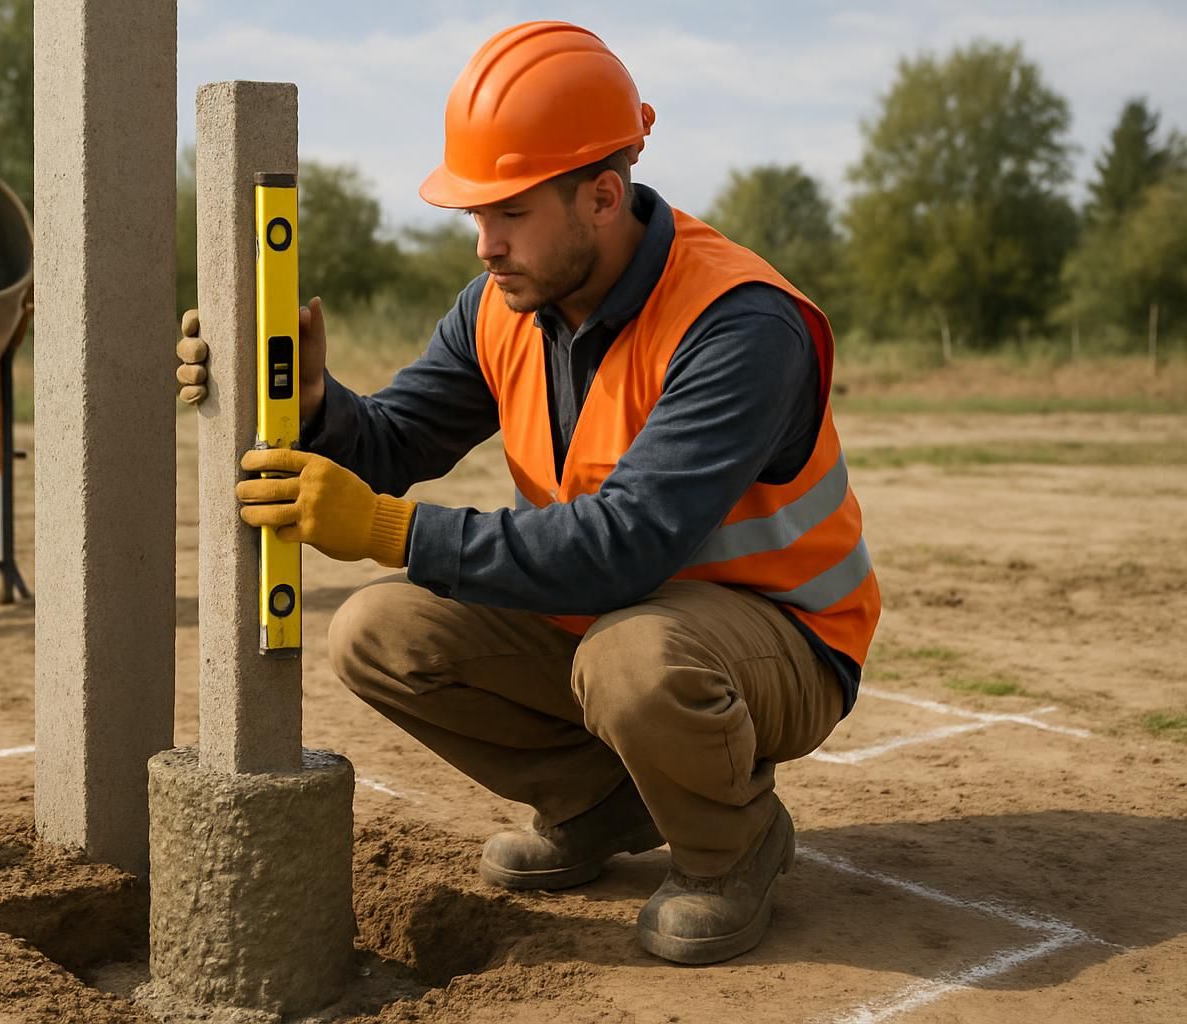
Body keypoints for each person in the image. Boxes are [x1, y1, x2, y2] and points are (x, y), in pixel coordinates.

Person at [175, 19, 879, 965]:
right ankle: (599, 804)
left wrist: (385, 528)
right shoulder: (504, 306)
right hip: (618, 618)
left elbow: (624, 547)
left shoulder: (741, 324)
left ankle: (733, 844)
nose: (483, 243)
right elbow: (395, 441)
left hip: (778, 641)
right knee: (380, 634)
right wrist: (312, 409)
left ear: (602, 195)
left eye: (508, 212)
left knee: (632, 661)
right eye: (473, 214)